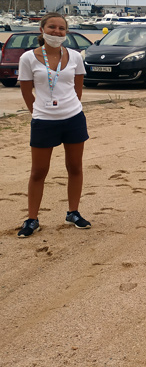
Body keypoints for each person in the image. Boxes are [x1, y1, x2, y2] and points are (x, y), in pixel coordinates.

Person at [17, 12, 91, 238]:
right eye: (52, 27)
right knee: (39, 172)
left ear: (66, 32)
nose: (57, 32)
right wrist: (39, 111)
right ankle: (32, 219)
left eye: (61, 28)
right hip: (43, 121)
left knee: (75, 167)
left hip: (73, 118)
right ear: (42, 29)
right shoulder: (28, 58)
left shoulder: (75, 56)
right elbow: (26, 91)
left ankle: (73, 212)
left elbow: (78, 89)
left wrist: (67, 107)